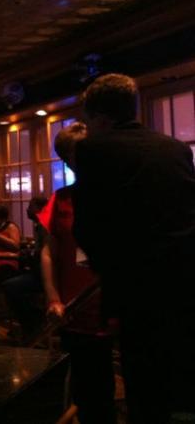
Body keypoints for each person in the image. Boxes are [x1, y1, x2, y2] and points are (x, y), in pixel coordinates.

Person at [72, 73, 195, 423]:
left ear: (100, 118)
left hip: (135, 289)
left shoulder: (93, 150)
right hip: (186, 282)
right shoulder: (176, 148)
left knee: (144, 385)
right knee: (182, 380)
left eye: (88, 122)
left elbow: (88, 227)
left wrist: (108, 268)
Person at [38, 122, 116, 424]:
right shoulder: (61, 199)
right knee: (87, 389)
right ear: (67, 160)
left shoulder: (115, 194)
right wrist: (53, 298)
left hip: (115, 304)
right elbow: (48, 252)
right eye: (75, 154)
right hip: (75, 309)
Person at [1, 196, 48, 342]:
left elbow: (43, 253)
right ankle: (31, 323)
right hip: (39, 272)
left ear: (39, 209)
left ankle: (33, 324)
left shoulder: (43, 226)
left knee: (10, 286)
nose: (27, 209)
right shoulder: (38, 226)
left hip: (44, 276)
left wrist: (28, 254)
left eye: (30, 206)